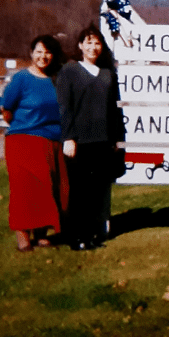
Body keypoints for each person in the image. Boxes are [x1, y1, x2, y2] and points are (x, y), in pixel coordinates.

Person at [56, 24, 126, 251]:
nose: (93, 47)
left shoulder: (108, 74)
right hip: (78, 142)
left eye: (97, 43)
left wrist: (117, 139)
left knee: (97, 191)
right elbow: (65, 107)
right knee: (79, 192)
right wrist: (68, 137)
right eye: (88, 42)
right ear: (80, 46)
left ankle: (93, 235)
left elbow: (115, 110)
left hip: (103, 142)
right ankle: (76, 237)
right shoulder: (69, 71)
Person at [0, 34, 69, 252]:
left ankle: (42, 234)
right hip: (23, 141)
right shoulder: (21, 78)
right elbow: (6, 110)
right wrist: (25, 126)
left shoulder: (58, 79)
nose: (43, 56)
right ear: (31, 53)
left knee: (49, 188)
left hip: (52, 141)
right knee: (24, 190)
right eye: (38, 51)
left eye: (47, 52)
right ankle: (23, 236)